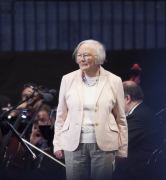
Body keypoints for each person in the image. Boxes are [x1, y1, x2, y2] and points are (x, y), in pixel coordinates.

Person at [53, 39, 128, 180]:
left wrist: (122, 150)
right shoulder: (67, 79)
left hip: (105, 144)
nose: (82, 59)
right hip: (73, 143)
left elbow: (121, 119)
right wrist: (57, 143)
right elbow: (61, 115)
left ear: (99, 58)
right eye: (79, 55)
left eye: (86, 55)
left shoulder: (114, 80)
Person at [112, 81, 163, 180]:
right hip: (146, 169)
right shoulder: (146, 112)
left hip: (135, 173)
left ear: (127, 99)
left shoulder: (137, 118)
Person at [26, 104, 65, 180]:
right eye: (36, 121)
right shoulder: (36, 142)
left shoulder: (58, 143)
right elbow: (27, 167)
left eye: (43, 120)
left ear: (53, 121)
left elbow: (48, 172)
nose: (39, 124)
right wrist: (31, 147)